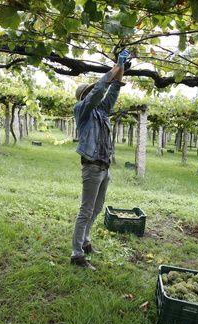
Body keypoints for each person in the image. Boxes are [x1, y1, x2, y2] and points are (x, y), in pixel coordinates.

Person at [70, 49, 131, 271]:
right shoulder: (83, 110)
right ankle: (76, 254)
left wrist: (121, 69)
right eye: (89, 92)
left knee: (96, 208)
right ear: (84, 96)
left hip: (104, 166)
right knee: (86, 210)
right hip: (92, 167)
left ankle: (85, 243)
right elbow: (100, 89)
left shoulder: (102, 112)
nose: (93, 93)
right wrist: (114, 67)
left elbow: (113, 90)